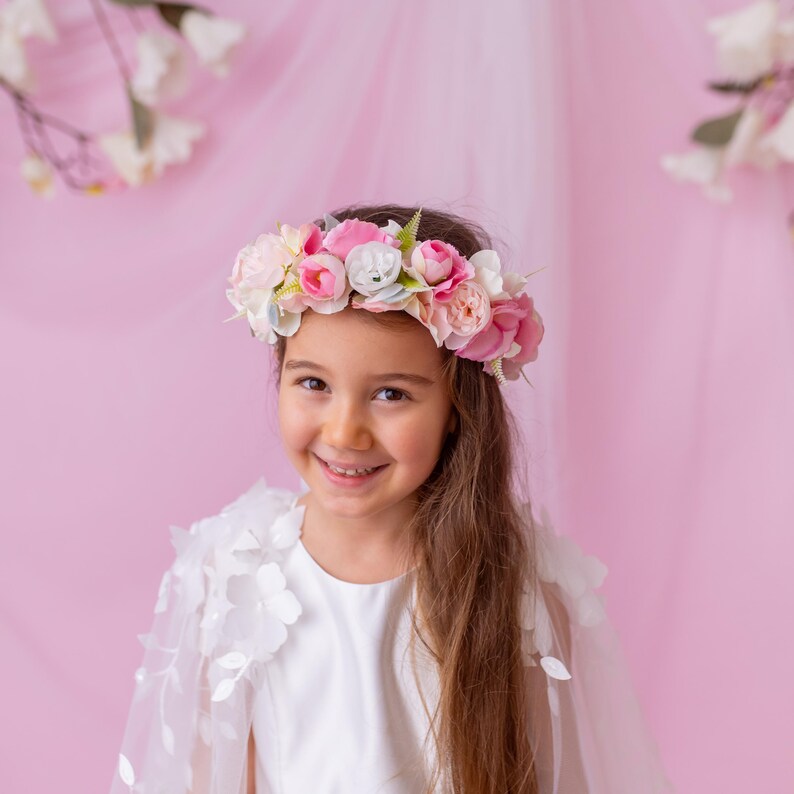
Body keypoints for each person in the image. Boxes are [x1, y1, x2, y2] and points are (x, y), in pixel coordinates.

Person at [110, 204, 674, 793]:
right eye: (314, 384)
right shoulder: (228, 575)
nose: (345, 433)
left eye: (390, 394)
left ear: (457, 409)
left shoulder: (520, 585)